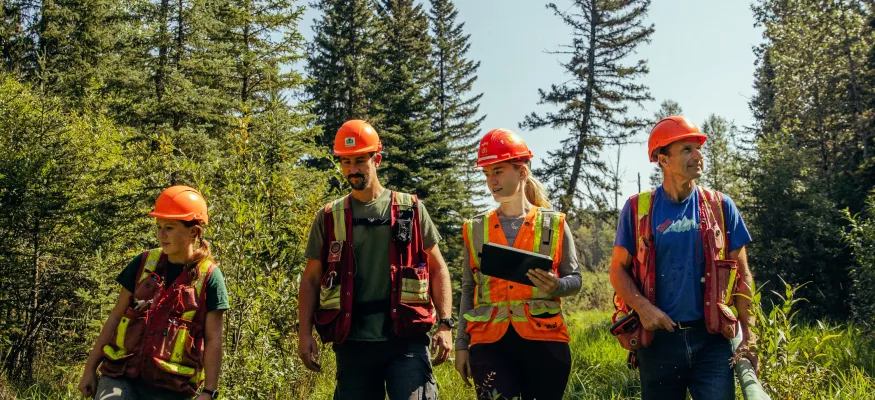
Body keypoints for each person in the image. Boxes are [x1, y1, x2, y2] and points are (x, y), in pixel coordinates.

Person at [296, 120, 453, 400]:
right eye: (345, 162)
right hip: (353, 344)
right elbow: (310, 279)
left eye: (359, 160)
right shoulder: (329, 216)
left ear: (376, 159)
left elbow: (438, 268)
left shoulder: (411, 209)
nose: (352, 169)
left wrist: (445, 323)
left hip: (406, 340)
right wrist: (304, 334)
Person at [609, 116, 757, 400]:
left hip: (712, 340)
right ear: (663, 159)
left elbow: (742, 273)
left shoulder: (720, 206)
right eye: (687, 149)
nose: (698, 156)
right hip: (658, 343)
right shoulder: (637, 209)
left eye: (698, 149)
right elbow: (617, 271)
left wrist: (749, 335)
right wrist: (643, 308)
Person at [454, 128, 582, 400]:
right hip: (489, 345)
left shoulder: (553, 223)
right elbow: (468, 289)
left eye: (498, 171)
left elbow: (575, 280)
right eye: (487, 174)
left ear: (522, 172)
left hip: (545, 344)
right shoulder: (475, 228)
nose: (492, 182)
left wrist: (557, 285)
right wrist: (461, 345)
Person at [78, 185, 230, 400]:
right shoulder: (143, 263)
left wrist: (209, 392)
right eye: (159, 227)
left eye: (169, 227)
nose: (161, 235)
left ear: (193, 232)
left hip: (172, 388)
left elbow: (214, 339)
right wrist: (89, 369)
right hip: (120, 376)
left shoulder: (209, 277)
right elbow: (114, 317)